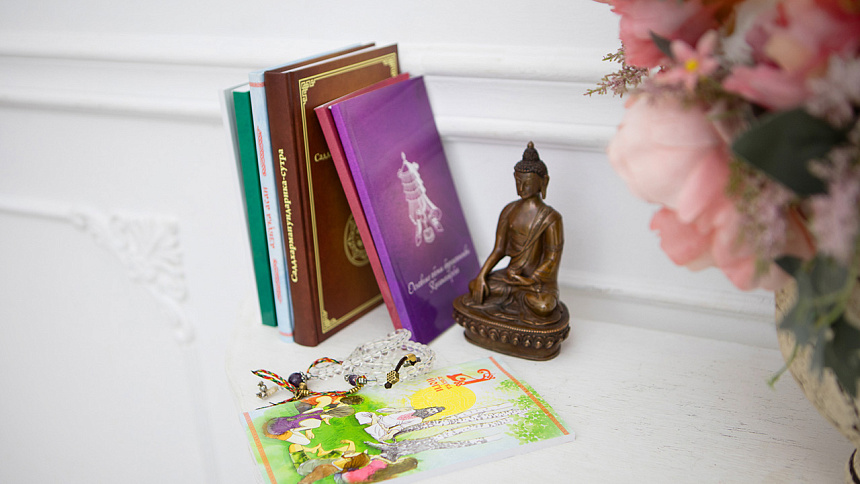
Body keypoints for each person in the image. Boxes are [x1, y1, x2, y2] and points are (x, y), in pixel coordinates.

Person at [467, 142, 564, 325]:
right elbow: (499, 250)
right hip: (510, 278)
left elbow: (551, 259)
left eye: (527, 183)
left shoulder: (551, 218)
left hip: (537, 284)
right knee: (475, 287)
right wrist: (482, 275)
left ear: (543, 182)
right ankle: (513, 300)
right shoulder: (509, 211)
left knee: (543, 306)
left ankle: (520, 304)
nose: (521, 187)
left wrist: (529, 280)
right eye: (518, 181)